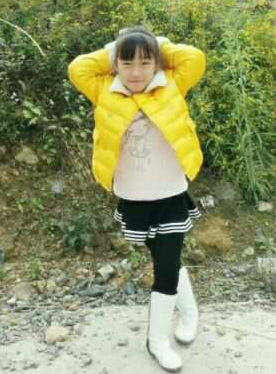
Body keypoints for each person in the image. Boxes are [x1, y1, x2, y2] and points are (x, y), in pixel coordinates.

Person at [68, 25, 206, 372]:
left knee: (165, 266)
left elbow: (194, 58)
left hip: (170, 193)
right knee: (165, 258)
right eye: (126, 62)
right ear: (115, 63)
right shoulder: (104, 88)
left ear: (157, 63)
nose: (135, 72)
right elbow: (78, 68)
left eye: (145, 63)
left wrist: (151, 43)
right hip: (134, 196)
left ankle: (156, 341)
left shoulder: (171, 83)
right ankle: (190, 311)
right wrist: (120, 45)